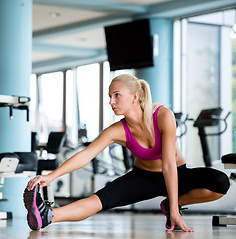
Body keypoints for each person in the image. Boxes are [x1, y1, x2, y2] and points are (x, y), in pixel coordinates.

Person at [23, 74, 230, 233]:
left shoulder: (163, 115)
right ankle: (47, 215)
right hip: (143, 178)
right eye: (110, 96)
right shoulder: (117, 130)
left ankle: (169, 204)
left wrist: (174, 208)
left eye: (116, 95)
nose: (111, 101)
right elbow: (86, 155)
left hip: (177, 173)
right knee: (100, 200)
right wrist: (51, 176)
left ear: (135, 97)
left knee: (220, 182)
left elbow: (168, 165)